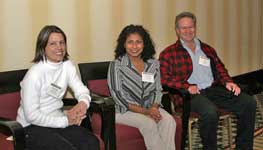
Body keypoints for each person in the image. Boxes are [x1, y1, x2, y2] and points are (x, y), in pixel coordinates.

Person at [159, 12, 256, 150]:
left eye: (191, 27)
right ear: (177, 30)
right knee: (210, 112)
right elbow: (163, 78)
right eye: (183, 28)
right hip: (190, 96)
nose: (188, 31)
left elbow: (220, 69)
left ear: (195, 27)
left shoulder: (207, 49)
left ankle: (244, 147)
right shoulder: (168, 53)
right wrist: (186, 86)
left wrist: (229, 82)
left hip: (213, 90)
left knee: (248, 103)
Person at [16, 25, 99, 150]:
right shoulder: (34, 74)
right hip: (30, 127)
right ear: (43, 47)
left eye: (62, 42)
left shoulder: (67, 66)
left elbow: (81, 90)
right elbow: (31, 116)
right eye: (53, 44)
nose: (59, 47)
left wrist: (83, 102)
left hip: (57, 120)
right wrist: (65, 121)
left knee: (91, 143)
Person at [107, 24, 176, 150]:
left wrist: (154, 108)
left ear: (144, 44)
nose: (134, 46)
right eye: (130, 42)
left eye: (138, 42)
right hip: (123, 111)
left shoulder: (153, 64)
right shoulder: (116, 65)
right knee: (149, 123)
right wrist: (146, 112)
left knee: (169, 121)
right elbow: (118, 97)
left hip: (150, 107)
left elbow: (157, 90)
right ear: (124, 44)